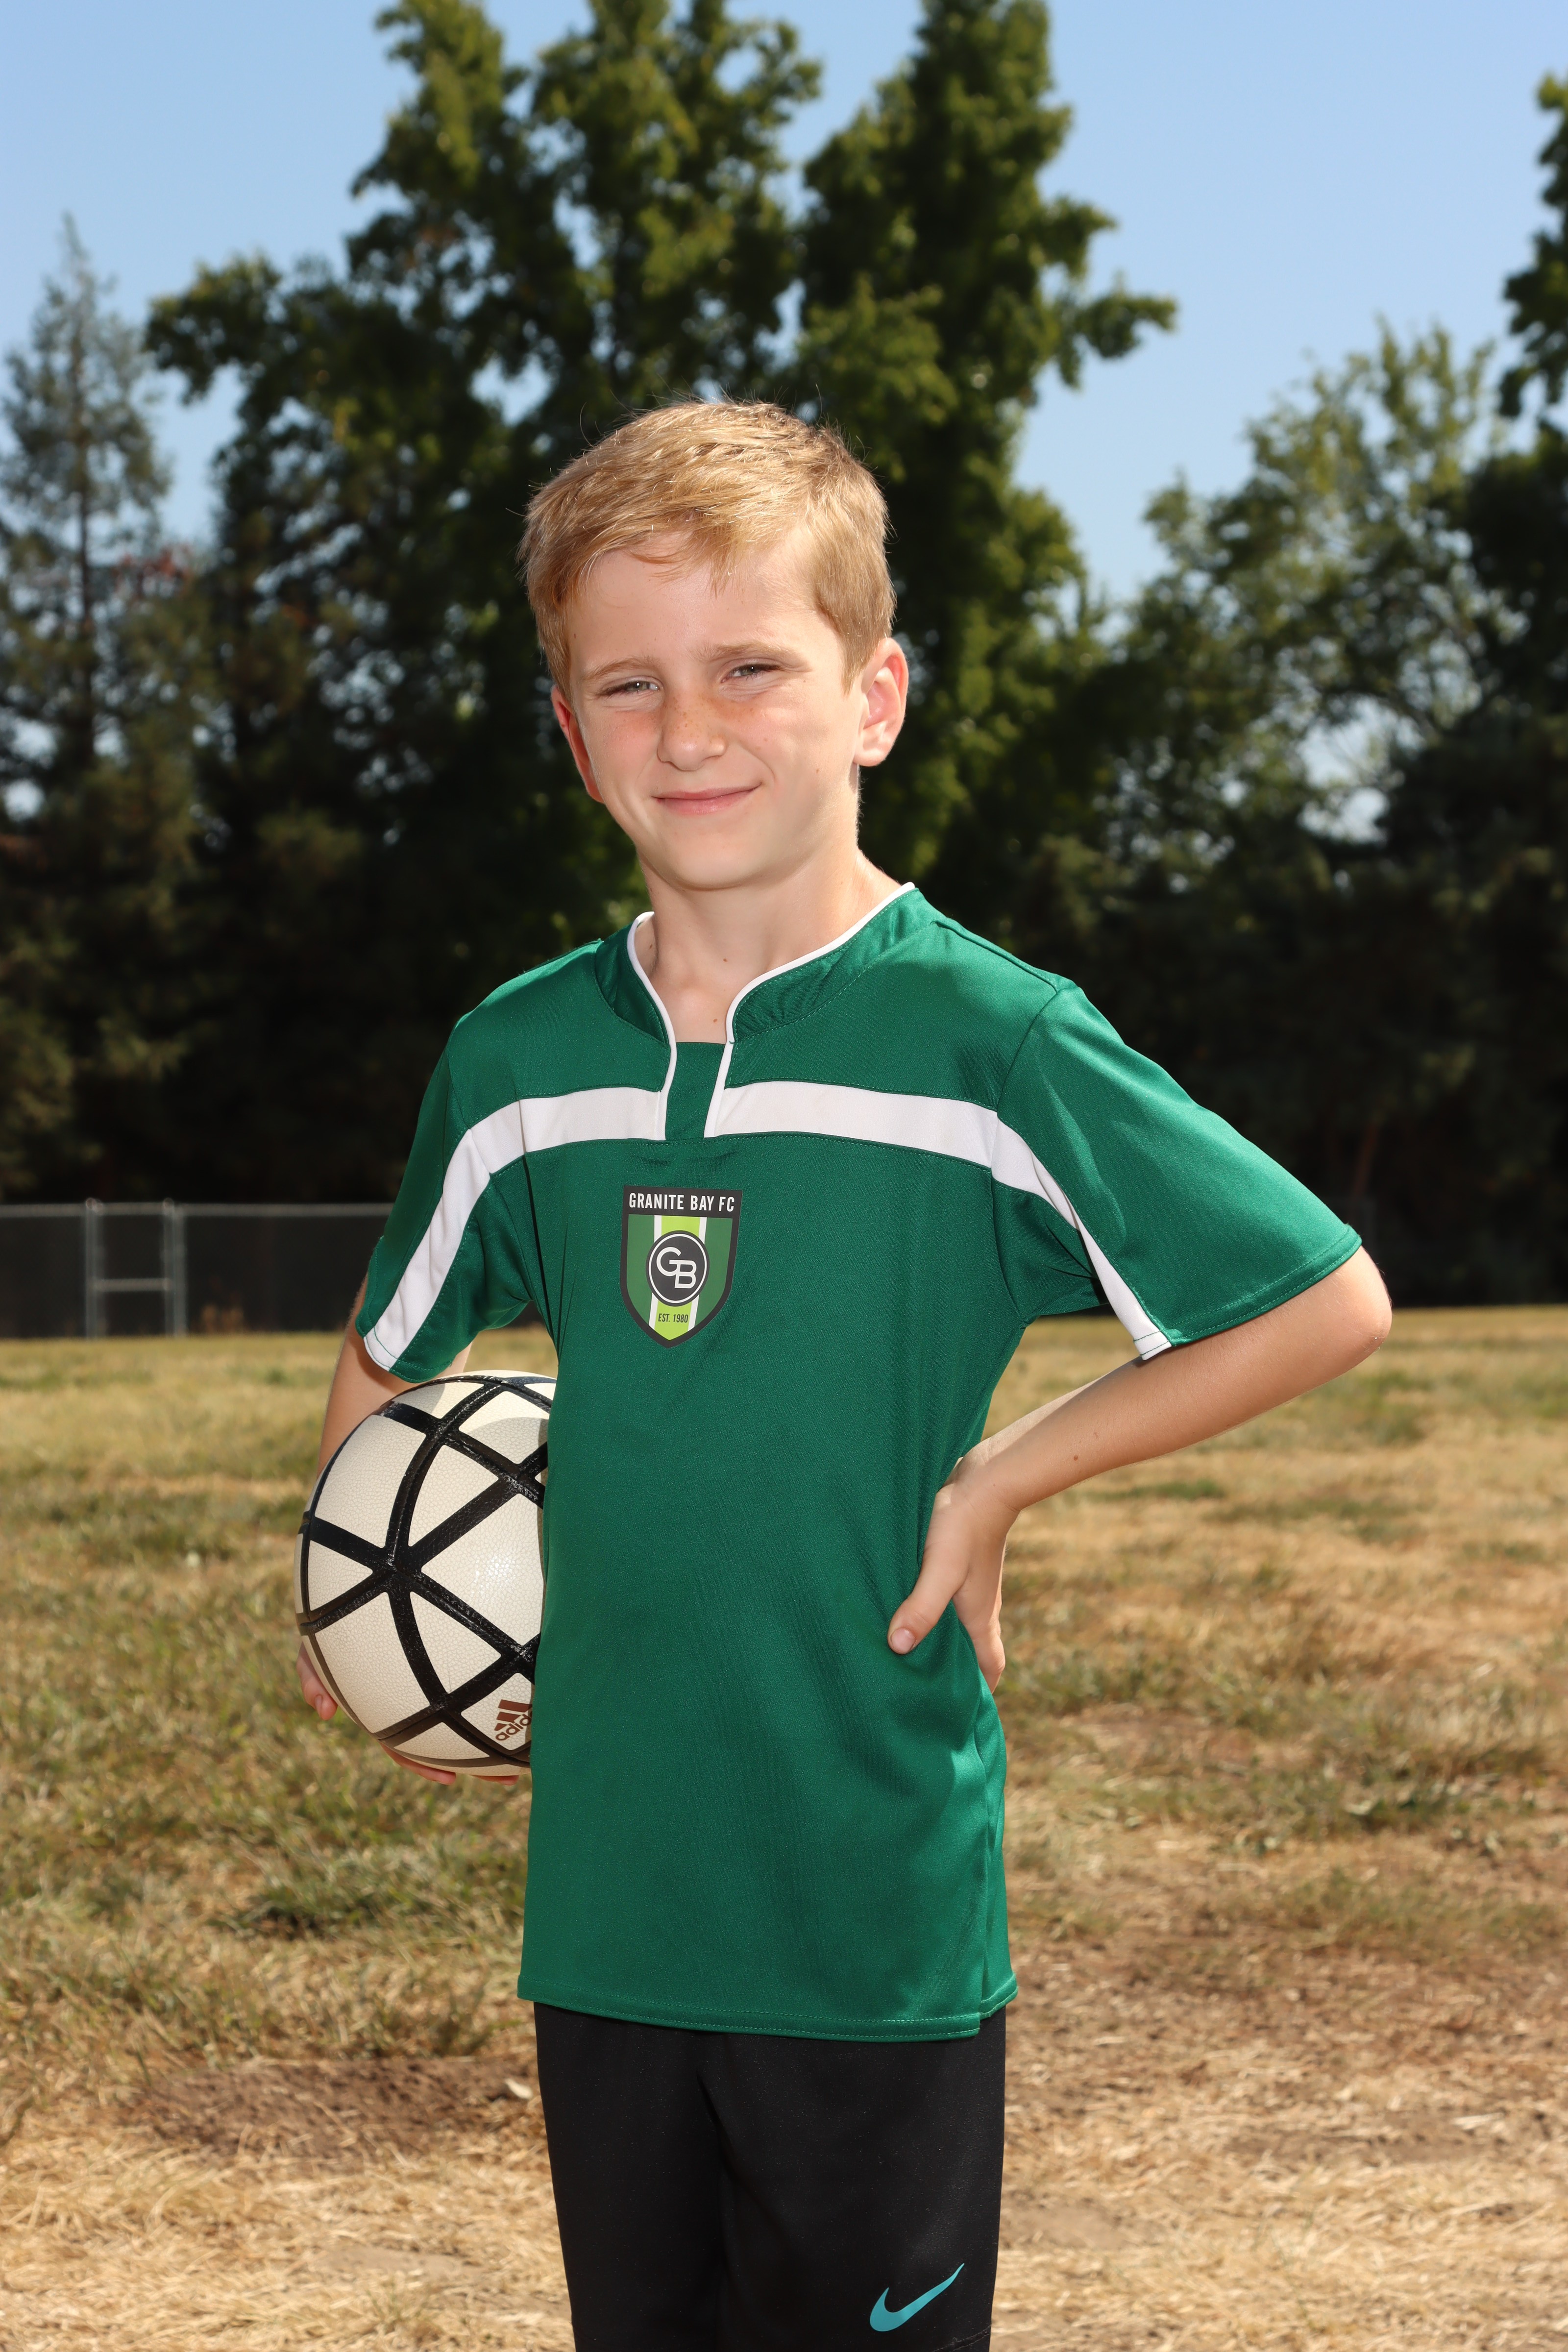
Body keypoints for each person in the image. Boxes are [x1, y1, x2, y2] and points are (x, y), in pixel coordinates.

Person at [297, 401, 1390, 2351]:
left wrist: (1003, 1475)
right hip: (610, 1912)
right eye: (626, 684)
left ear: (872, 698)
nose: (687, 729)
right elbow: (391, 1349)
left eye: (749, 668)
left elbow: (1319, 1298)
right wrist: (366, 1603)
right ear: (571, 733)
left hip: (866, 1909)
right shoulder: (519, 1061)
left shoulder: (984, 1040)